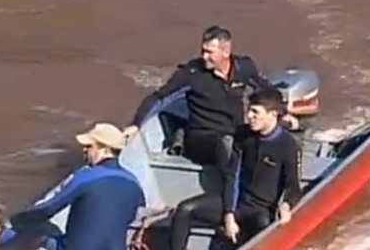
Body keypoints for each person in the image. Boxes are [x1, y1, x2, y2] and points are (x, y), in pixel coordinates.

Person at [165, 87, 303, 250]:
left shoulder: (287, 145)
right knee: (184, 209)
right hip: (237, 202)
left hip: (261, 210)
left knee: (264, 226)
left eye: (255, 112)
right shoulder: (244, 135)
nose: (249, 116)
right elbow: (233, 175)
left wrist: (286, 205)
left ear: (273, 114)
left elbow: (293, 186)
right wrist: (229, 214)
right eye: (249, 110)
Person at [124, 26, 299, 173]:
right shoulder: (191, 73)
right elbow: (159, 98)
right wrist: (136, 124)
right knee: (227, 144)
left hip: (234, 131)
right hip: (201, 138)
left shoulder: (243, 67)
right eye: (203, 51)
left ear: (226, 52)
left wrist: (283, 113)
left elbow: (266, 89)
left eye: (209, 52)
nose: (204, 56)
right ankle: (231, 197)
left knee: (271, 136)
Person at [11, 122, 146, 250]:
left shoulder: (85, 178)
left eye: (90, 146)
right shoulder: (134, 182)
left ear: (104, 149)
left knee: (40, 229)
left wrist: (16, 218)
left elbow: (48, 210)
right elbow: (136, 216)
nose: (85, 150)